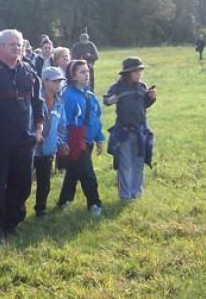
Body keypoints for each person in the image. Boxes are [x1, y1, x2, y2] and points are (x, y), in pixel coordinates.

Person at [0, 29, 44, 241]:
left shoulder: (29, 72)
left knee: (21, 183)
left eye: (19, 44)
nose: (16, 47)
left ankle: (13, 222)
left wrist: (39, 127)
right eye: (11, 44)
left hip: (25, 139)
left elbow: (38, 103)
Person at [103, 57, 157, 201]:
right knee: (125, 164)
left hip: (140, 131)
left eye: (141, 71)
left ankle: (137, 193)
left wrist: (151, 98)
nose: (139, 74)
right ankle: (125, 195)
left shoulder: (141, 86)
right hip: (124, 131)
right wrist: (110, 100)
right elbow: (106, 99)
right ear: (127, 73)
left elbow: (143, 105)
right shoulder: (118, 87)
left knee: (139, 163)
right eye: (136, 71)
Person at [58, 60, 105, 215]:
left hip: (89, 141)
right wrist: (64, 142)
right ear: (73, 76)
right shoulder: (68, 96)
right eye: (82, 72)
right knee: (87, 174)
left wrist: (99, 138)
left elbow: (96, 118)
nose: (87, 75)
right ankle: (94, 203)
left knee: (73, 171)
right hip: (76, 141)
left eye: (87, 71)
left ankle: (64, 200)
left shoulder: (89, 95)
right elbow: (64, 122)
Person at [33, 66, 67, 217]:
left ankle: (41, 209)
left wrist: (57, 142)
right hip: (32, 148)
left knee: (44, 182)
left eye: (60, 81)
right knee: (23, 182)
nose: (58, 84)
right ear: (45, 81)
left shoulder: (59, 101)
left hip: (48, 149)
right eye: (55, 81)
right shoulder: (34, 99)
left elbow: (62, 125)